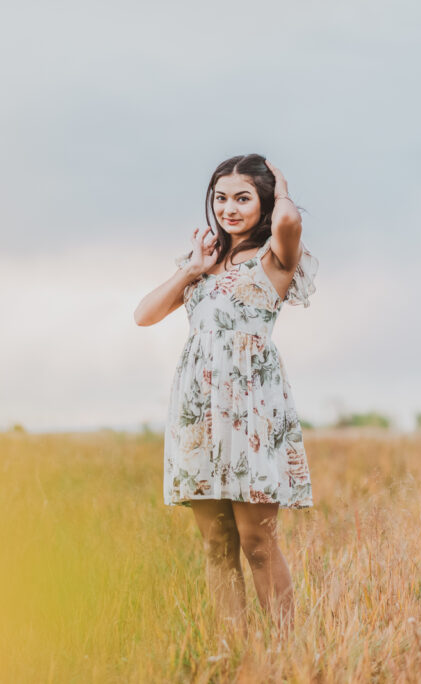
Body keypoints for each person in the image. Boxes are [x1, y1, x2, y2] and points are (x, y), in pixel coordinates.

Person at [133, 154, 318, 639]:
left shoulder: (276, 257)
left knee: (257, 541)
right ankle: (235, 652)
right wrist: (193, 269)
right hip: (199, 410)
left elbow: (290, 220)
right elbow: (144, 315)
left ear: (265, 201)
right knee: (217, 544)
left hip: (250, 408)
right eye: (221, 198)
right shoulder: (203, 263)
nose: (229, 209)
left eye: (243, 197)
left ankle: (284, 650)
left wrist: (281, 184)